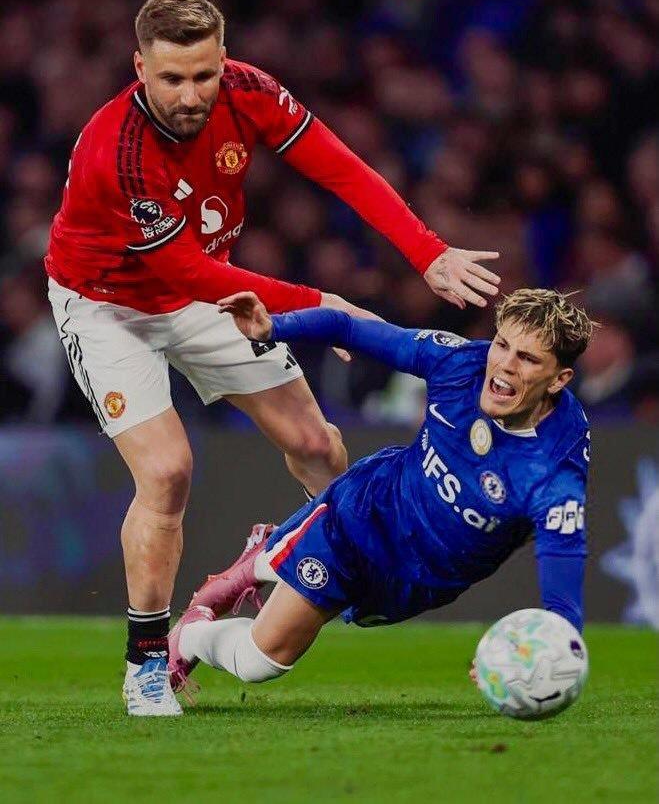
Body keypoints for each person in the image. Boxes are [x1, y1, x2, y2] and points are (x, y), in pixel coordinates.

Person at [44, 0, 500, 716]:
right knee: (166, 472)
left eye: (204, 75)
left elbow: (340, 169)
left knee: (319, 448)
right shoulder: (118, 152)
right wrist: (321, 305)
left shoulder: (249, 91)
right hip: (109, 307)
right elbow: (181, 270)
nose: (190, 95)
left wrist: (427, 252)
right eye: (171, 79)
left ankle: (283, 553)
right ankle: (147, 663)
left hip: (212, 291)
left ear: (224, 61)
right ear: (139, 69)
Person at [168, 288, 593, 699]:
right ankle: (190, 635)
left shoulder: (554, 471)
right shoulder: (459, 363)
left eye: (527, 358)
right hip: (364, 514)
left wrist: (524, 659)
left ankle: (266, 556)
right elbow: (346, 327)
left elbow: (562, 594)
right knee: (261, 662)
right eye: (502, 345)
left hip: (419, 582)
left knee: (269, 647)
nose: (504, 366)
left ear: (560, 379)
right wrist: (273, 327)